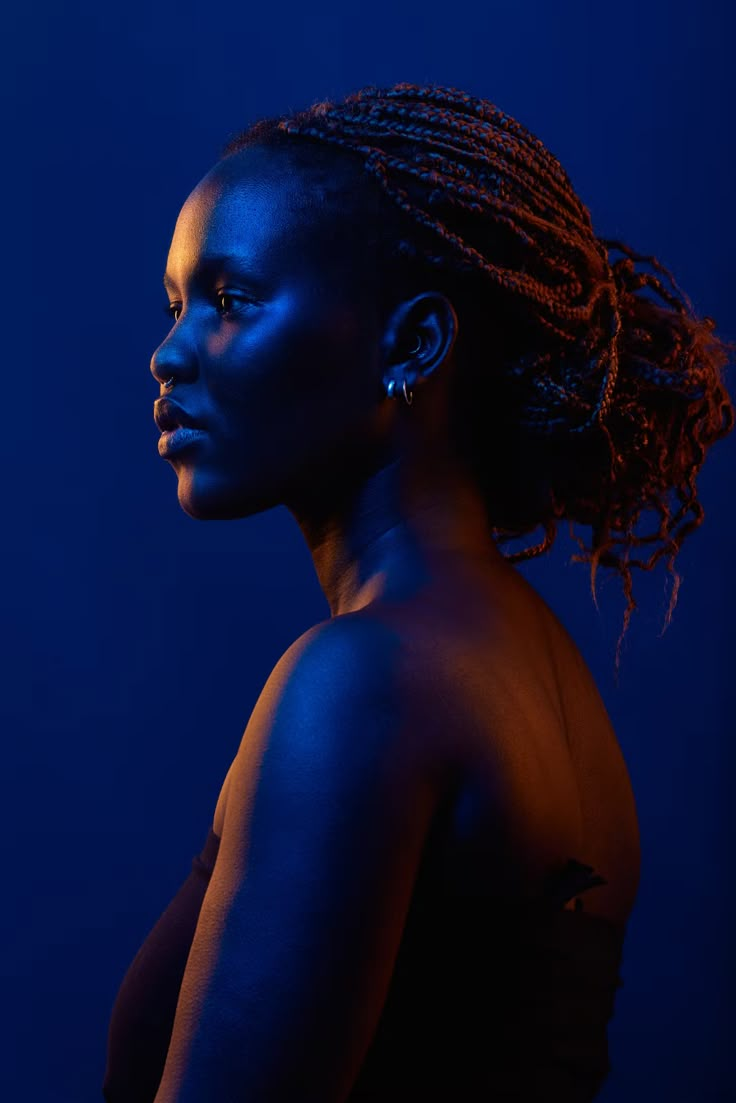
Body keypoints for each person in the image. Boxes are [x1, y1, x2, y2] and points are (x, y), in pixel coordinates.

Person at [102, 82, 734, 1102]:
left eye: (228, 301)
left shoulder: (364, 685)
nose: (168, 355)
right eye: (176, 306)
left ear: (412, 346)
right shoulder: (533, 674)